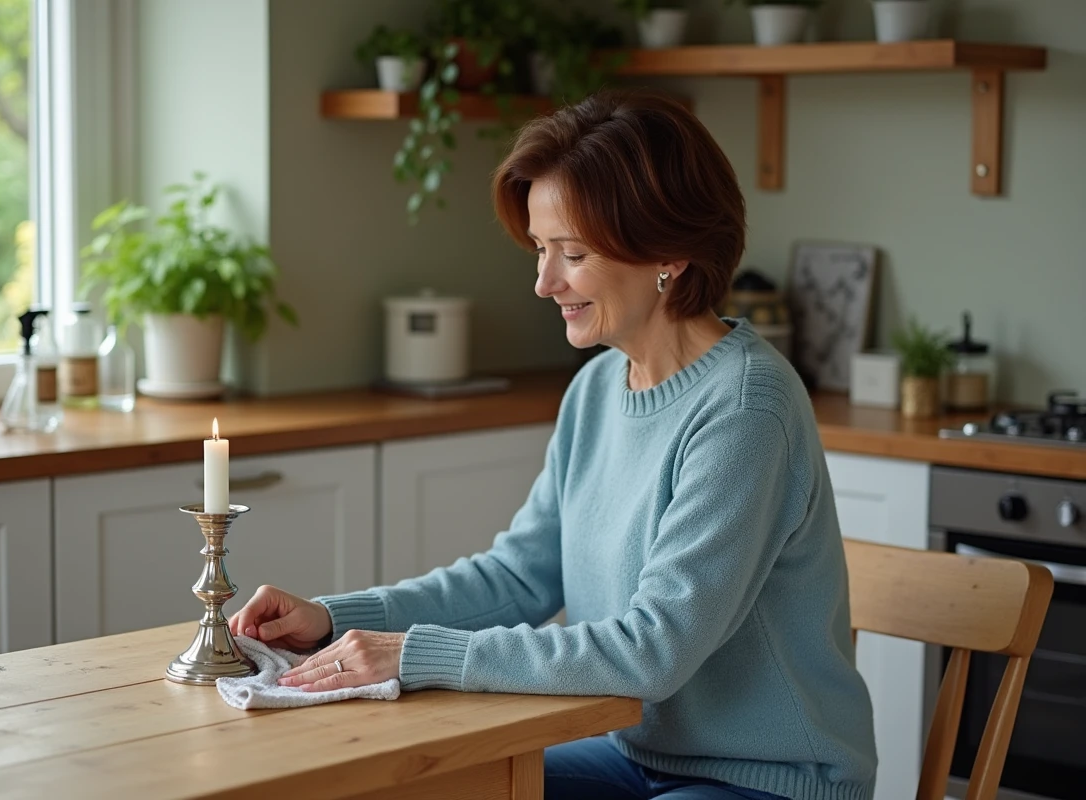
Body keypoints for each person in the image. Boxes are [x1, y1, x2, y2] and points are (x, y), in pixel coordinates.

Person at [228, 88, 876, 800]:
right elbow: (518, 579)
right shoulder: (599, 390)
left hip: (769, 779)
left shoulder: (747, 410)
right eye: (541, 250)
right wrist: (332, 620)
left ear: (669, 251)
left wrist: (414, 654)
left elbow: (651, 651)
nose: (544, 282)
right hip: (637, 756)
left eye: (573, 253)